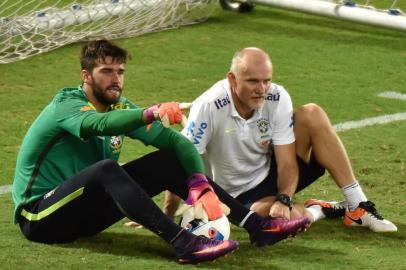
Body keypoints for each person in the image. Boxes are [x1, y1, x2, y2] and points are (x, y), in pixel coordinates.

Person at [12, 40, 310, 265]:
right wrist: (150, 113)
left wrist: (198, 183)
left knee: (169, 159)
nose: (115, 78)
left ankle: (256, 226)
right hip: (40, 217)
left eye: (120, 71)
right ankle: (184, 242)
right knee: (106, 169)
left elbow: (178, 144)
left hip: (83, 218)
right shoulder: (66, 105)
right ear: (86, 76)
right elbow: (98, 124)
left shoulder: (121, 108)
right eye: (106, 72)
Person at [164, 47, 397, 233]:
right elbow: (181, 160)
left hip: (271, 175)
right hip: (234, 197)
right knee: (286, 222)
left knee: (311, 113)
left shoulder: (276, 96)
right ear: (232, 79)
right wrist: (167, 216)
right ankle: (317, 210)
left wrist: (284, 198)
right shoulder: (209, 106)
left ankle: (357, 206)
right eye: (253, 81)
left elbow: (287, 163)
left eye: (266, 80)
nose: (262, 89)